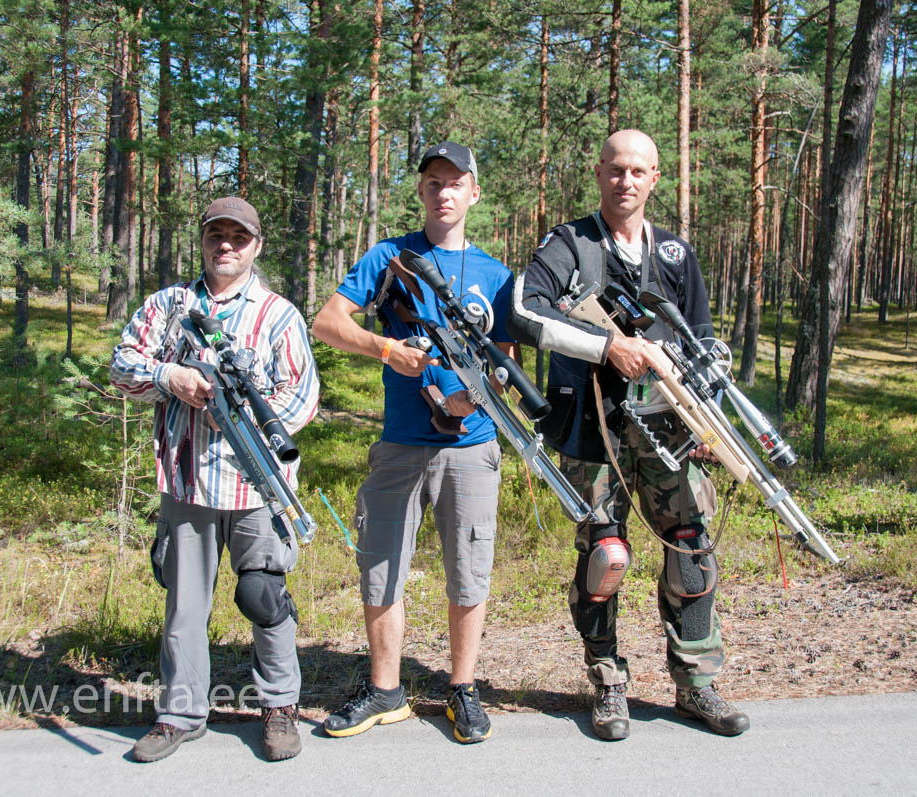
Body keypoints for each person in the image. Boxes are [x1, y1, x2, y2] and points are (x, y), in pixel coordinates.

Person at [508, 129, 750, 740]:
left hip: (671, 427)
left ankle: (696, 685)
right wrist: (605, 344)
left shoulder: (674, 254)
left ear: (655, 179)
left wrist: (707, 418)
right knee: (604, 556)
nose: (626, 181)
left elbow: (701, 341)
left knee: (692, 551)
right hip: (593, 428)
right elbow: (526, 310)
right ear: (599, 173)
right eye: (616, 169)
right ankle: (608, 683)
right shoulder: (569, 244)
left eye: (639, 171)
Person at [312, 142, 515, 744]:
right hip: (400, 440)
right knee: (381, 565)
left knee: (469, 570)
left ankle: (463, 689)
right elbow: (328, 322)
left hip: (471, 446)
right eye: (433, 182)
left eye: (455, 182)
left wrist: (469, 399)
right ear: (422, 192)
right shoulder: (388, 257)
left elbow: (505, 360)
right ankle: (385, 691)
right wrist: (386, 349)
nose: (444, 192)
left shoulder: (495, 275)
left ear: (474, 193)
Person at [111, 196, 319, 762]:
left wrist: (237, 410)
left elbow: (301, 397)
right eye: (215, 235)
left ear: (256, 245)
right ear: (202, 240)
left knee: (264, 596)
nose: (225, 245)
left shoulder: (279, 314)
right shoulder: (169, 305)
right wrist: (169, 375)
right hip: (187, 483)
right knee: (183, 604)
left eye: (238, 237)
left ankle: (279, 709)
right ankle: (179, 714)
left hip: (259, 485)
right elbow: (121, 364)